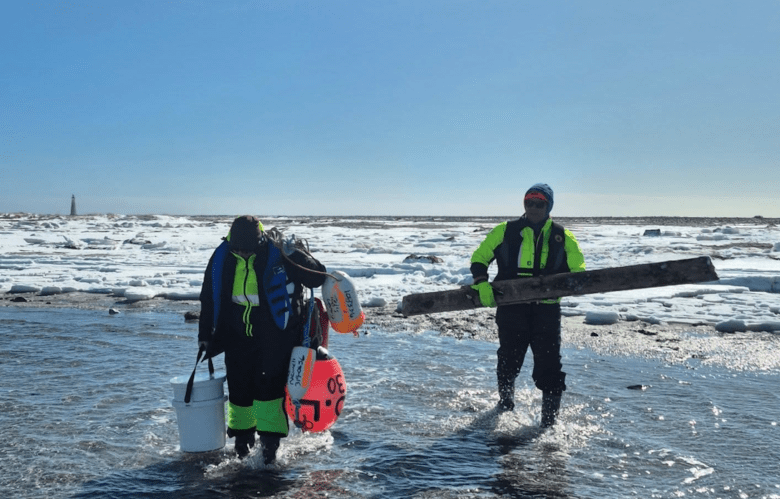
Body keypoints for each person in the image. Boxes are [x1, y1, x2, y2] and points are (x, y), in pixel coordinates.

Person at [198, 215, 328, 462]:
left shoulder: (278, 254)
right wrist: (205, 337)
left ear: (259, 243)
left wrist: (294, 252)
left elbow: (318, 276)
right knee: (239, 394)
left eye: (248, 251)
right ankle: (242, 446)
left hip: (275, 338)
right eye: (238, 249)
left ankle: (269, 450)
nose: (243, 254)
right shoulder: (222, 258)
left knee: (268, 394)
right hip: (236, 338)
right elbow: (208, 299)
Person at [469, 183, 585, 427]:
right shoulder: (504, 230)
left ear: (548, 206)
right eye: (528, 202)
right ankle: (505, 406)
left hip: (547, 312)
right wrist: (481, 283)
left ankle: (548, 426)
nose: (533, 207)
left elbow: (579, 273)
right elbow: (480, 258)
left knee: (550, 366)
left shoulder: (563, 236)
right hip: (512, 309)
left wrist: (567, 284)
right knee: (509, 360)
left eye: (539, 203)